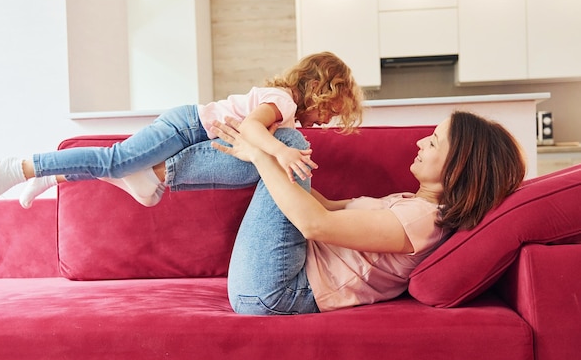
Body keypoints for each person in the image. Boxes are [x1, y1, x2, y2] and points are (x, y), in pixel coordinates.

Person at [156, 111, 526, 314]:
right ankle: (158, 172)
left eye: (431, 142)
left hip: (276, 292)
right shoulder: (412, 206)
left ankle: (156, 172)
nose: (419, 142)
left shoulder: (422, 221)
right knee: (280, 148)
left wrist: (264, 154)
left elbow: (314, 223)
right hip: (273, 279)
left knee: (284, 143)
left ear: (460, 165)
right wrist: (275, 162)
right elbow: (323, 206)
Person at [0, 51, 363, 209]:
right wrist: (281, 151)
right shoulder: (282, 100)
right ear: (317, 90)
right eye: (331, 109)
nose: (327, 120)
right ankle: (20, 167)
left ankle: (56, 176)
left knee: (129, 176)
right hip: (185, 127)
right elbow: (250, 127)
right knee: (116, 159)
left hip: (190, 135)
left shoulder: (288, 112)